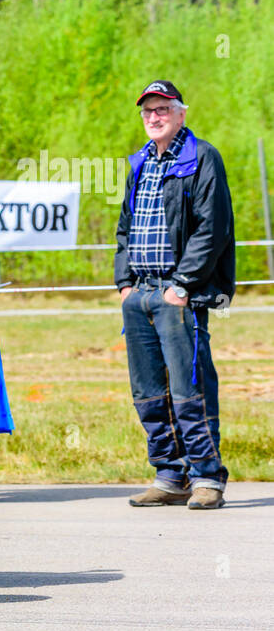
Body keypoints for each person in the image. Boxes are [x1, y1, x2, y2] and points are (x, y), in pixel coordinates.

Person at [114, 80, 235, 510]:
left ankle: (206, 477)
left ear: (181, 113)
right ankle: (169, 474)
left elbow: (212, 228)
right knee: (147, 391)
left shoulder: (201, 158)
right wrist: (124, 283)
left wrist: (182, 286)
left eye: (162, 109)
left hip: (178, 293)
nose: (153, 116)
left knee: (190, 389)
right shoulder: (139, 163)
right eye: (148, 110)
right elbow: (125, 228)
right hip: (140, 295)